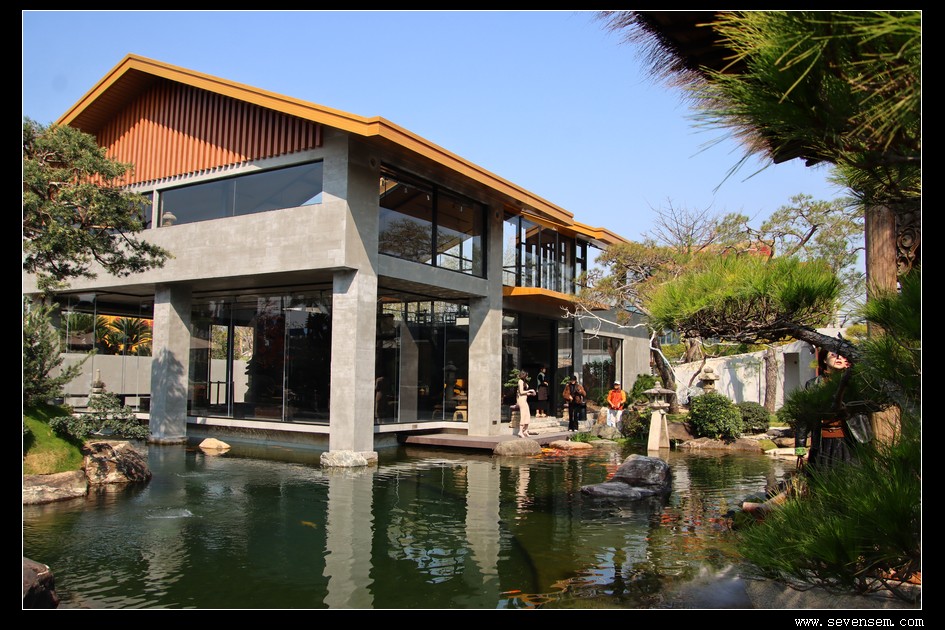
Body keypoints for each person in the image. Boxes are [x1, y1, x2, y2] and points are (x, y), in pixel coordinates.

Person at [801, 348, 855, 472]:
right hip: (822, 441)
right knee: (821, 477)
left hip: (848, 440)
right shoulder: (813, 385)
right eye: (834, 355)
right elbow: (804, 417)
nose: (839, 358)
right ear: (824, 360)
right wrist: (800, 447)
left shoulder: (855, 383)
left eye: (843, 355)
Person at [516, 370, 537, 438]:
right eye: (526, 375)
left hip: (525, 399)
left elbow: (524, 393)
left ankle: (525, 430)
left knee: (527, 414)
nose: (527, 376)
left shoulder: (524, 382)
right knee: (523, 414)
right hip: (521, 400)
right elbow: (521, 392)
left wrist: (530, 394)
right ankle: (520, 431)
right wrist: (530, 390)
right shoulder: (520, 381)